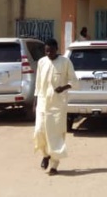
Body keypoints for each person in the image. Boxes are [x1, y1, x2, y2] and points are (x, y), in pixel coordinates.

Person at [33, 38, 77, 175]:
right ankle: (46, 154)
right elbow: (38, 83)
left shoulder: (65, 62)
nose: (49, 53)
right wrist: (35, 102)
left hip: (58, 104)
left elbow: (74, 81)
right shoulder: (41, 62)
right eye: (46, 51)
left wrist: (63, 87)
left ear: (56, 49)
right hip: (42, 101)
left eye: (51, 50)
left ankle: (54, 165)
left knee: (56, 134)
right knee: (39, 130)